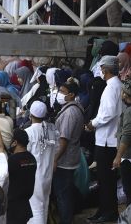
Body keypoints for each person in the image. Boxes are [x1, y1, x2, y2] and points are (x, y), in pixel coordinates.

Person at [85, 55, 122, 222]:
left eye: (101, 69)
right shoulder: (115, 85)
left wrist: (92, 123)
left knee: (105, 179)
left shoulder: (111, 87)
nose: (100, 72)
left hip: (107, 141)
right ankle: (104, 209)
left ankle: (108, 212)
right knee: (104, 179)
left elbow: (107, 114)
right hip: (108, 139)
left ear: (106, 69)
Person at [53, 79, 85, 224]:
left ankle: (66, 220)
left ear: (71, 95)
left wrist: (55, 159)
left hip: (64, 160)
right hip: (69, 157)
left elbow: (64, 140)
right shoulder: (73, 108)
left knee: (63, 194)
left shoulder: (70, 113)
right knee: (65, 192)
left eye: (63, 92)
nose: (59, 94)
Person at [25, 101, 58, 224]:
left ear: (31, 114)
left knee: (36, 207)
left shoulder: (28, 132)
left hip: (34, 175)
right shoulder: (52, 130)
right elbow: (56, 148)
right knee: (44, 203)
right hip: (47, 173)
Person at [7, 128, 37, 224]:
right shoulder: (32, 158)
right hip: (25, 205)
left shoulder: (12, 160)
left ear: (15, 142)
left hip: (12, 208)